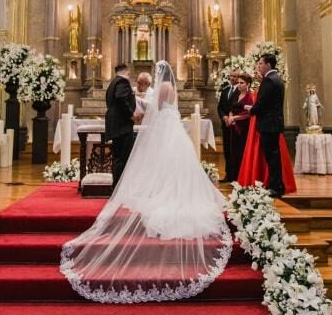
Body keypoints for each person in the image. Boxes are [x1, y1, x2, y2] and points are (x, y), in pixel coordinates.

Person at [61, 61, 231, 302]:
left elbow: (156, 109)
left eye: (154, 73)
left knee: (153, 160)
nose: (151, 76)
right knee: (174, 162)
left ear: (158, 74)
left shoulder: (158, 89)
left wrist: (141, 110)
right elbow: (167, 108)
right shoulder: (170, 88)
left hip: (161, 126)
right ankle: (173, 189)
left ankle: (154, 189)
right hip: (172, 127)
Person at [247, 54, 287, 197]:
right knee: (274, 156)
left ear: (269, 65)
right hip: (274, 123)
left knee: (272, 157)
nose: (259, 66)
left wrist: (251, 109)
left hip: (268, 124)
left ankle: (275, 187)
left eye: (261, 63)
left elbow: (262, 103)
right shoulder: (277, 79)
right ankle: (277, 184)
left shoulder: (269, 80)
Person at [105, 63, 137, 190]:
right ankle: (118, 188)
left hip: (115, 125)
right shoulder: (122, 82)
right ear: (127, 72)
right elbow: (121, 97)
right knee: (123, 158)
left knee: (118, 158)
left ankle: (116, 187)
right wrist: (131, 114)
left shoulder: (112, 83)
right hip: (122, 125)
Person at [226, 73, 252, 182]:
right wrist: (230, 116)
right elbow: (231, 108)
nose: (239, 85)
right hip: (233, 127)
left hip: (244, 128)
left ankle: (243, 177)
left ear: (248, 84)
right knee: (234, 152)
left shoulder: (250, 96)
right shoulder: (236, 95)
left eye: (242, 83)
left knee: (241, 152)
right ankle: (234, 177)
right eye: (238, 83)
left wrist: (235, 118)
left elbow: (249, 114)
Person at [217, 69, 239, 182]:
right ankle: (228, 175)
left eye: (235, 76)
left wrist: (232, 117)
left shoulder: (240, 91)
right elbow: (220, 107)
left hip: (236, 125)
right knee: (227, 150)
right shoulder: (225, 90)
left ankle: (236, 176)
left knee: (236, 150)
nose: (232, 78)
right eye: (231, 76)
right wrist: (224, 117)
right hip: (225, 124)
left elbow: (238, 107)